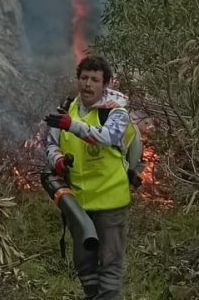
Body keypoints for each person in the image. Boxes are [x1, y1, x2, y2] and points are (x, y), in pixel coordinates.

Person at [43, 55, 141, 300]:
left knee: (109, 266)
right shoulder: (67, 109)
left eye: (95, 80)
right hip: (79, 205)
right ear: (77, 80)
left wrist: (72, 125)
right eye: (84, 78)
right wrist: (58, 160)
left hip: (110, 204)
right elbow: (51, 143)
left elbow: (105, 137)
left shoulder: (116, 114)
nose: (88, 84)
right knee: (85, 266)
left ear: (105, 84)